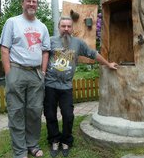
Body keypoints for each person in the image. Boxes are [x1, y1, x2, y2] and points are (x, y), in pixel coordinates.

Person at [43, 16, 118, 157]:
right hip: (50, 85)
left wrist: (108, 64)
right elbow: (42, 56)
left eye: (68, 26)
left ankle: (66, 141)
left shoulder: (77, 43)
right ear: (59, 27)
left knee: (68, 115)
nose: (66, 29)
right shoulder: (51, 41)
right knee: (50, 114)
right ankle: (54, 140)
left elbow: (92, 53)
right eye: (63, 26)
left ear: (72, 28)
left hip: (66, 87)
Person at [0, 0, 50, 158]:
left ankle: (32, 145)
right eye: (28, 1)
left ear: (37, 5)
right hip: (17, 71)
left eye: (34, 1)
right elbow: (4, 49)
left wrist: (42, 72)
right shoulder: (12, 22)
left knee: (35, 111)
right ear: (22, 4)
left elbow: (45, 51)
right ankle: (20, 151)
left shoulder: (42, 27)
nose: (31, 3)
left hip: (36, 74)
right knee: (16, 112)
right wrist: (9, 75)